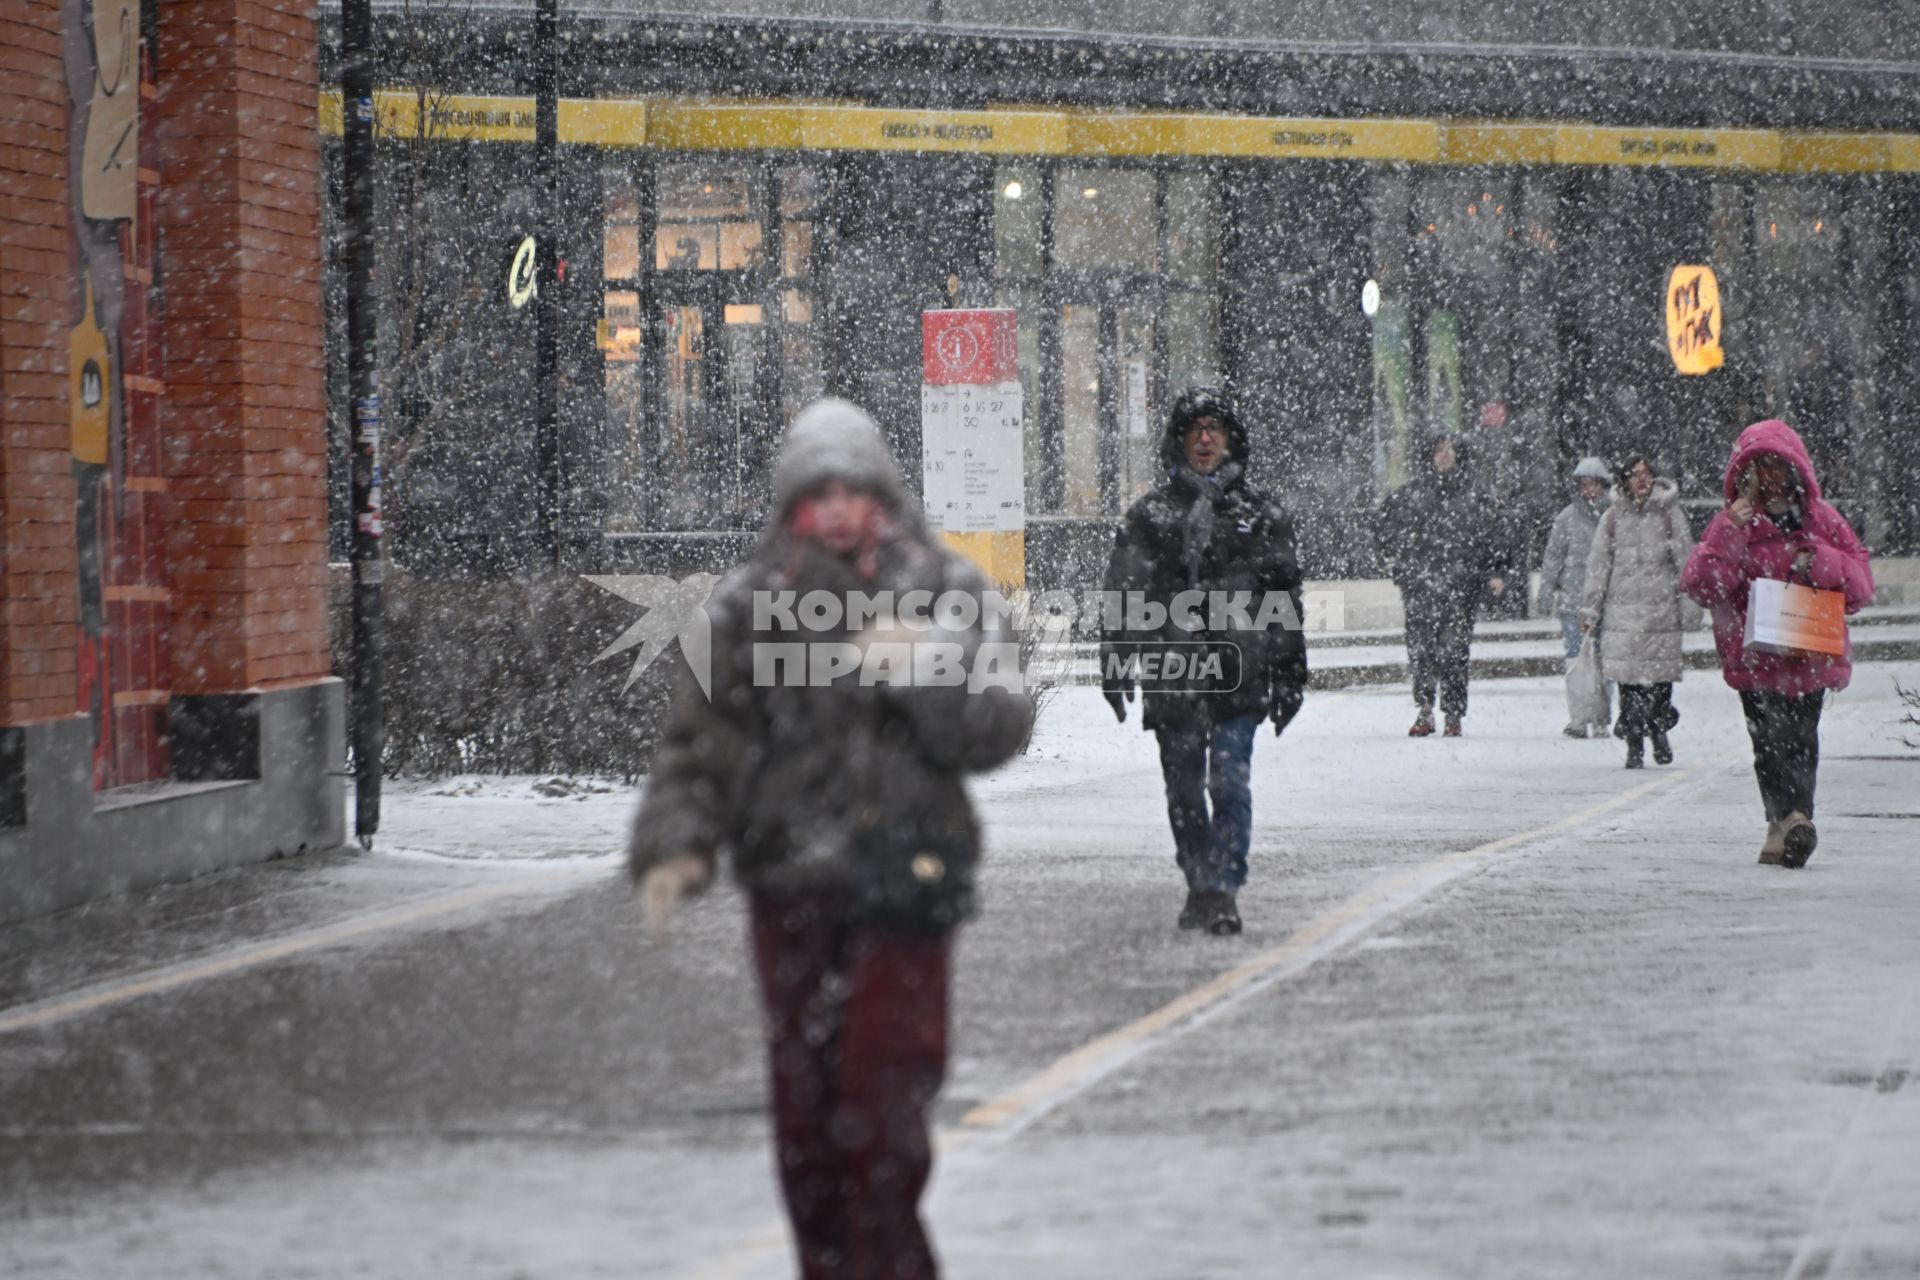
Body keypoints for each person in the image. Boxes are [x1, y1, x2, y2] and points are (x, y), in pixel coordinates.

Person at [630, 398, 1032, 1279]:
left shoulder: (946, 590)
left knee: (879, 1098)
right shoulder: (746, 608)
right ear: (792, 507)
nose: (840, 511)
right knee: (807, 1113)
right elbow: (702, 743)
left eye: (855, 491)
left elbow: (1003, 722)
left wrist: (928, 669)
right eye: (821, 495)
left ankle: (888, 1266)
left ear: (884, 496)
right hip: (791, 883)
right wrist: (675, 844)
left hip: (908, 878)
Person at [1101, 388, 1307, 936]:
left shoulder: (1260, 516)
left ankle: (1222, 887)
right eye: (1195, 429)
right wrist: (1116, 660)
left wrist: (1289, 674)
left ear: (1231, 438)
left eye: (1214, 427)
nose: (1205, 438)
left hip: (1240, 674)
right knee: (1185, 790)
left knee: (1230, 784)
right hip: (1175, 672)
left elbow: (1283, 603)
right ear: (1179, 440)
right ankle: (1199, 879)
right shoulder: (1150, 516)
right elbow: (1125, 592)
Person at [1680, 419, 1874, 868]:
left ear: (1795, 470)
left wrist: (1820, 561)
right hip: (1756, 656)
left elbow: (1861, 585)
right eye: (1761, 467)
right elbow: (1702, 586)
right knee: (1767, 741)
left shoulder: (1822, 521)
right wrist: (1729, 532)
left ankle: (1796, 819)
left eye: (1778, 467)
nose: (1770, 477)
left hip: (1807, 651)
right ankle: (1783, 820)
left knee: (1801, 737)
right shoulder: (1732, 522)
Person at [1377, 433, 1507, 736]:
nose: (1445, 456)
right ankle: (1425, 709)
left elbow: (1494, 536)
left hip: (1460, 590)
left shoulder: (1474, 497)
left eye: (1450, 451)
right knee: (1421, 652)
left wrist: (1494, 570)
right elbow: (1386, 534)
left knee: (1455, 652)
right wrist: (1402, 570)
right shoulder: (1410, 496)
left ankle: (1452, 713)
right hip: (1421, 589)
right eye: (1439, 451)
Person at [1579, 455, 1694, 769]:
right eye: (1635, 475)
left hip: (1662, 612)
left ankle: (1659, 730)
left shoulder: (1671, 515)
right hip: (1623, 614)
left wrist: (1690, 603)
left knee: (1661, 682)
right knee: (1628, 684)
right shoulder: (1613, 518)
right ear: (1624, 481)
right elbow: (1598, 566)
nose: (1642, 480)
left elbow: (1685, 561)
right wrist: (1591, 607)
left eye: (1646, 474)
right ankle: (1634, 742)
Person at [1538, 455, 1613, 736]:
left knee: (1604, 663)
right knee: (1576, 661)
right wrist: (1546, 593)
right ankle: (1580, 717)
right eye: (1584, 484)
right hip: (1574, 601)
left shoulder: (1614, 517)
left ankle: (1602, 717)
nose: (1589, 490)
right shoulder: (1566, 519)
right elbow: (1553, 557)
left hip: (1606, 601)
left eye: (1594, 484)